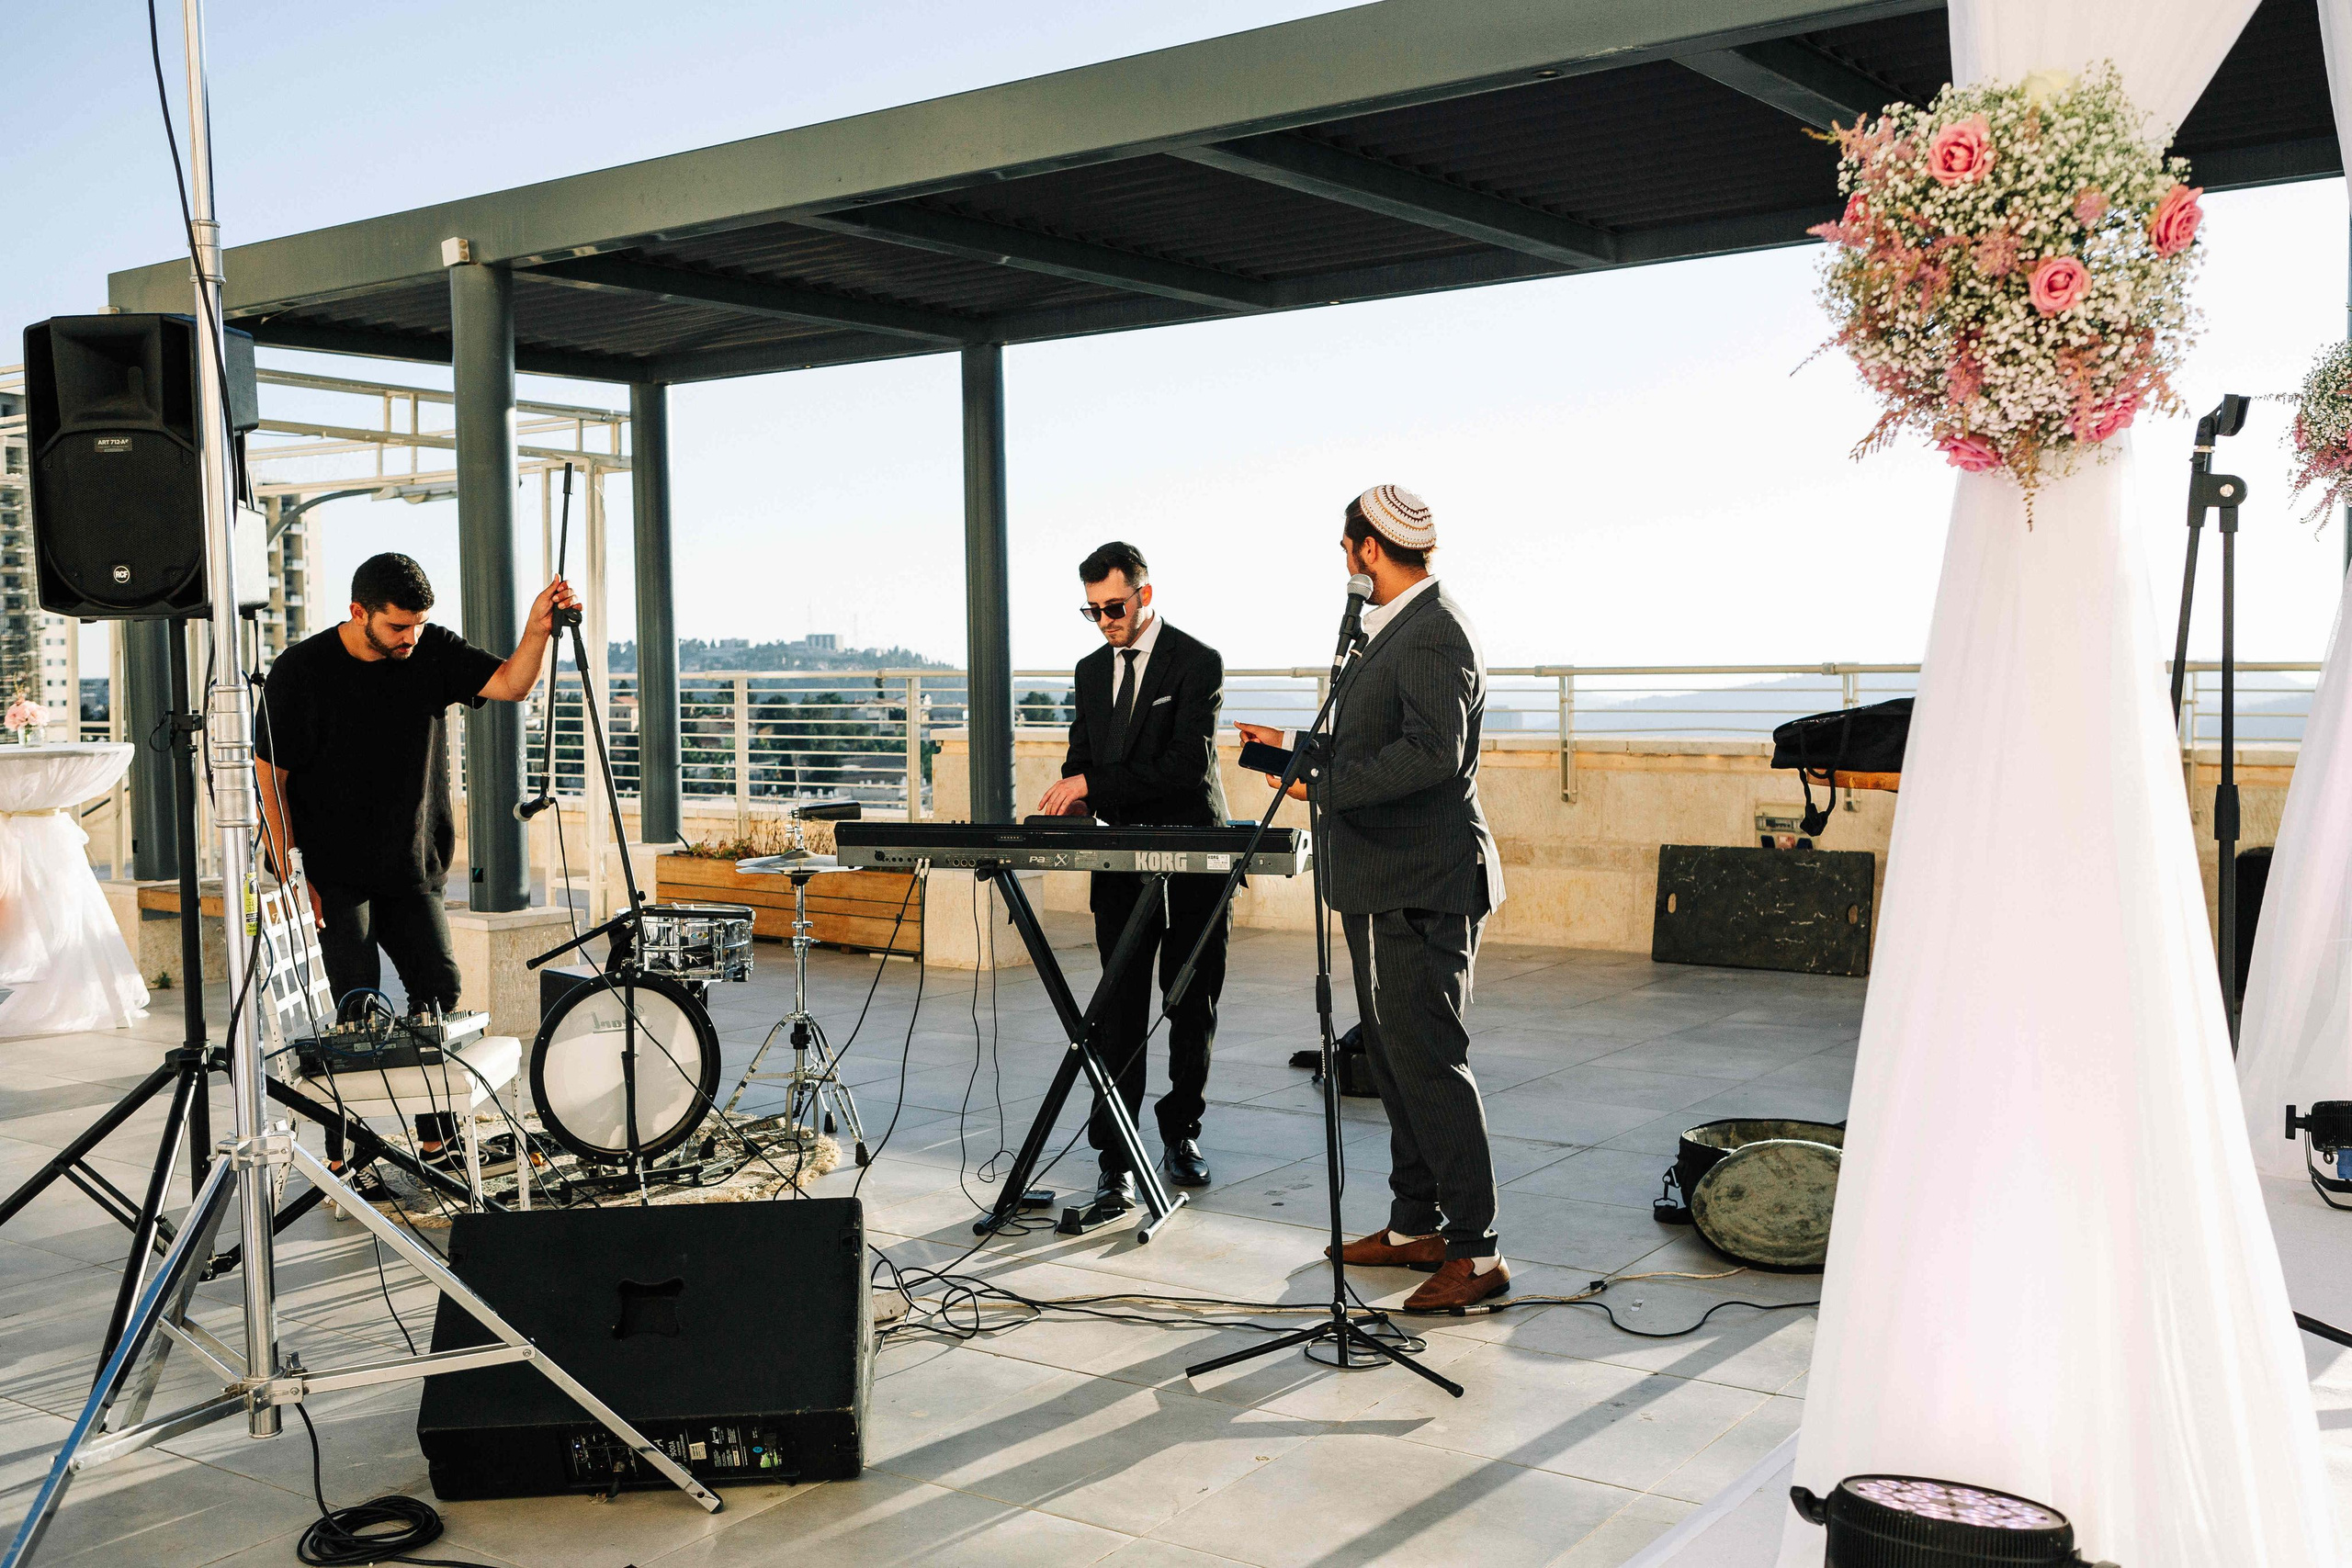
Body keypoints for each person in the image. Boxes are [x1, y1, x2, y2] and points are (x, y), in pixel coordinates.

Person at [1237, 485, 1510, 1312]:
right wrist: (1291, 753)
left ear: (1366, 550)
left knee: (1430, 1062)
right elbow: (1376, 746)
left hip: (1420, 885)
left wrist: (1322, 781)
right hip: (1381, 880)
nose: (1344, 562)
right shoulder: (1383, 631)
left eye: (1345, 547)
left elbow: (1431, 758)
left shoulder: (1434, 632)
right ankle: (1412, 1223)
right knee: (1391, 1060)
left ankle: (1478, 1249)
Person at [256, 552, 579, 1169]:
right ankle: (347, 1157)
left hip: (411, 864)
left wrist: (537, 628)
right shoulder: (300, 672)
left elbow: (512, 683)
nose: (410, 638)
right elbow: (269, 777)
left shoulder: (431, 651)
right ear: (359, 612)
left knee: (438, 987)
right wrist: (291, 872)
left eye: (418, 624)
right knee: (356, 1008)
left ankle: (438, 1138)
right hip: (331, 872)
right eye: (398, 626)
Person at [1037, 541, 1231, 1209]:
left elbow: (1182, 767)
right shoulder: (1090, 671)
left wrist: (1095, 779)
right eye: (1090, 611)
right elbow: (1081, 758)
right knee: (1118, 1014)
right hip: (1119, 867)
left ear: (1144, 595)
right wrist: (1073, 794)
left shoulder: (1197, 661)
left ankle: (1182, 1135)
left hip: (1195, 860)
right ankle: (1115, 1158)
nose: (1103, 622)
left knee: (1190, 1005)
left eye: (1112, 607)